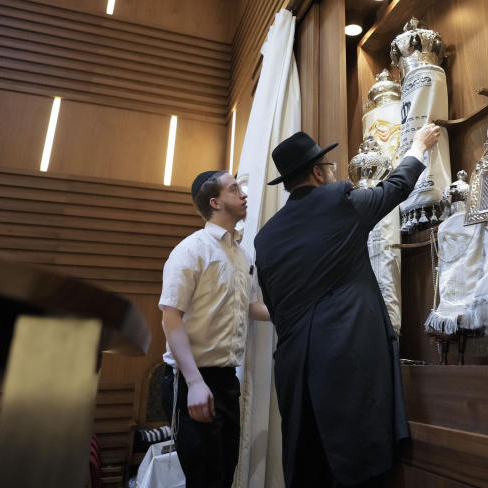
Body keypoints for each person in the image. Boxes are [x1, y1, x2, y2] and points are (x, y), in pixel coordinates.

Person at [254, 123, 442, 487]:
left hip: (294, 369)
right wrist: (418, 145)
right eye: (328, 167)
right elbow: (396, 187)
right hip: (346, 359)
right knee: (359, 466)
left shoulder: (265, 239)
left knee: (311, 466)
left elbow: (276, 308)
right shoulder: (339, 202)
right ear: (317, 172)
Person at [159, 170, 271, 488]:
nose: (244, 194)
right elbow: (170, 317)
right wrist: (194, 382)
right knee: (204, 478)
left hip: (225, 379)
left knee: (224, 474)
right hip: (190, 378)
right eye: (234, 189)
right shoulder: (191, 250)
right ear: (215, 202)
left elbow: (250, 307)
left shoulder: (240, 254)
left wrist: (290, 312)